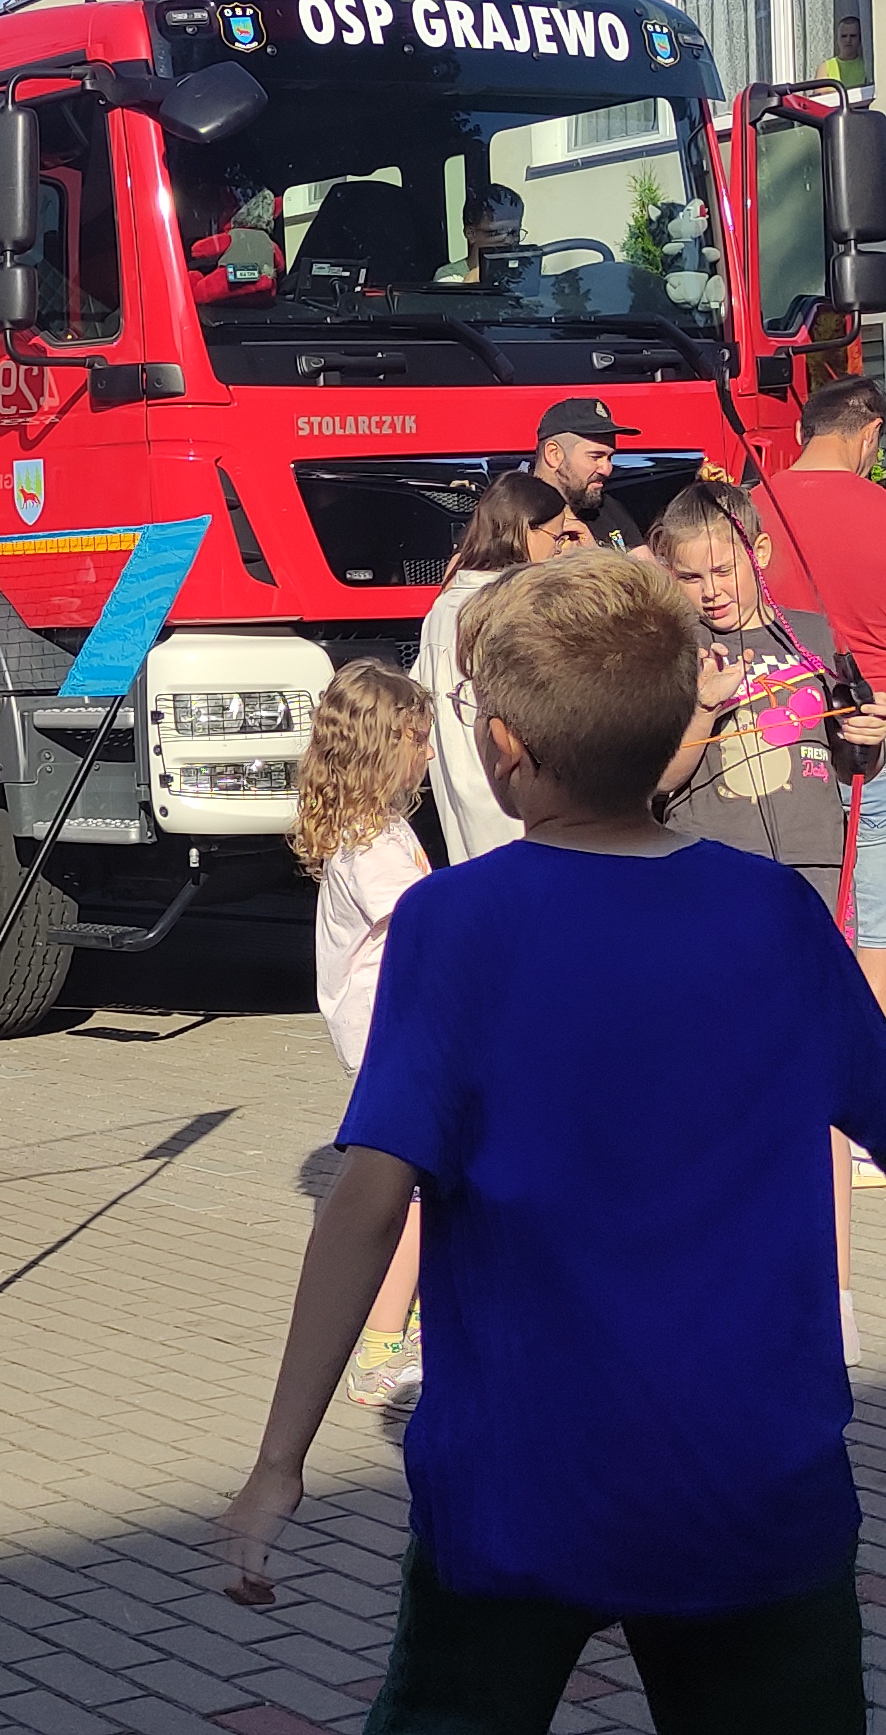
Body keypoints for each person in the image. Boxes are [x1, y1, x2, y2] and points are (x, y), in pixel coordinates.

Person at [212, 554, 886, 1728]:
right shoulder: (772, 911)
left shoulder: (453, 922)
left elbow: (368, 1198)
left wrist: (278, 1461)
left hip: (518, 1480)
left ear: (504, 749)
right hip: (749, 1480)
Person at [750, 377, 886, 1030]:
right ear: (872, 433)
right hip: (882, 739)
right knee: (881, 940)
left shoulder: (749, 508)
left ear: (802, 433)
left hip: (774, 739)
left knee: (783, 928)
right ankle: (868, 1085)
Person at [294, 662, 432, 1409]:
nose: (429, 754)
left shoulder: (373, 826)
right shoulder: (372, 840)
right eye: (418, 739)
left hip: (392, 1030)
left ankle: (406, 1327)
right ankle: (381, 1347)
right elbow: (421, 919)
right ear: (385, 746)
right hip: (390, 1032)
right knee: (408, 1193)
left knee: (420, 1185)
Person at [651, 482, 862, 918]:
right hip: (712, 861)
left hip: (816, 860)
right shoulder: (671, 647)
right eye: (690, 578)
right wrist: (704, 708)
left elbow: (853, 766)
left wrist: (866, 737)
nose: (711, 591)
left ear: (759, 552)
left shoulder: (813, 634)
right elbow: (660, 779)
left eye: (724, 570)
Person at [414, 474, 591, 865]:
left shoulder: (443, 606)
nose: (560, 549)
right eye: (557, 536)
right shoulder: (515, 608)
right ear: (527, 531)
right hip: (515, 792)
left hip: (459, 784)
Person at [527, 398, 645, 553]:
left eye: (609, 457)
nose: (607, 469)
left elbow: (649, 568)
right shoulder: (514, 513)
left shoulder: (606, 508)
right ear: (553, 454)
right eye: (596, 457)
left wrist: (594, 554)